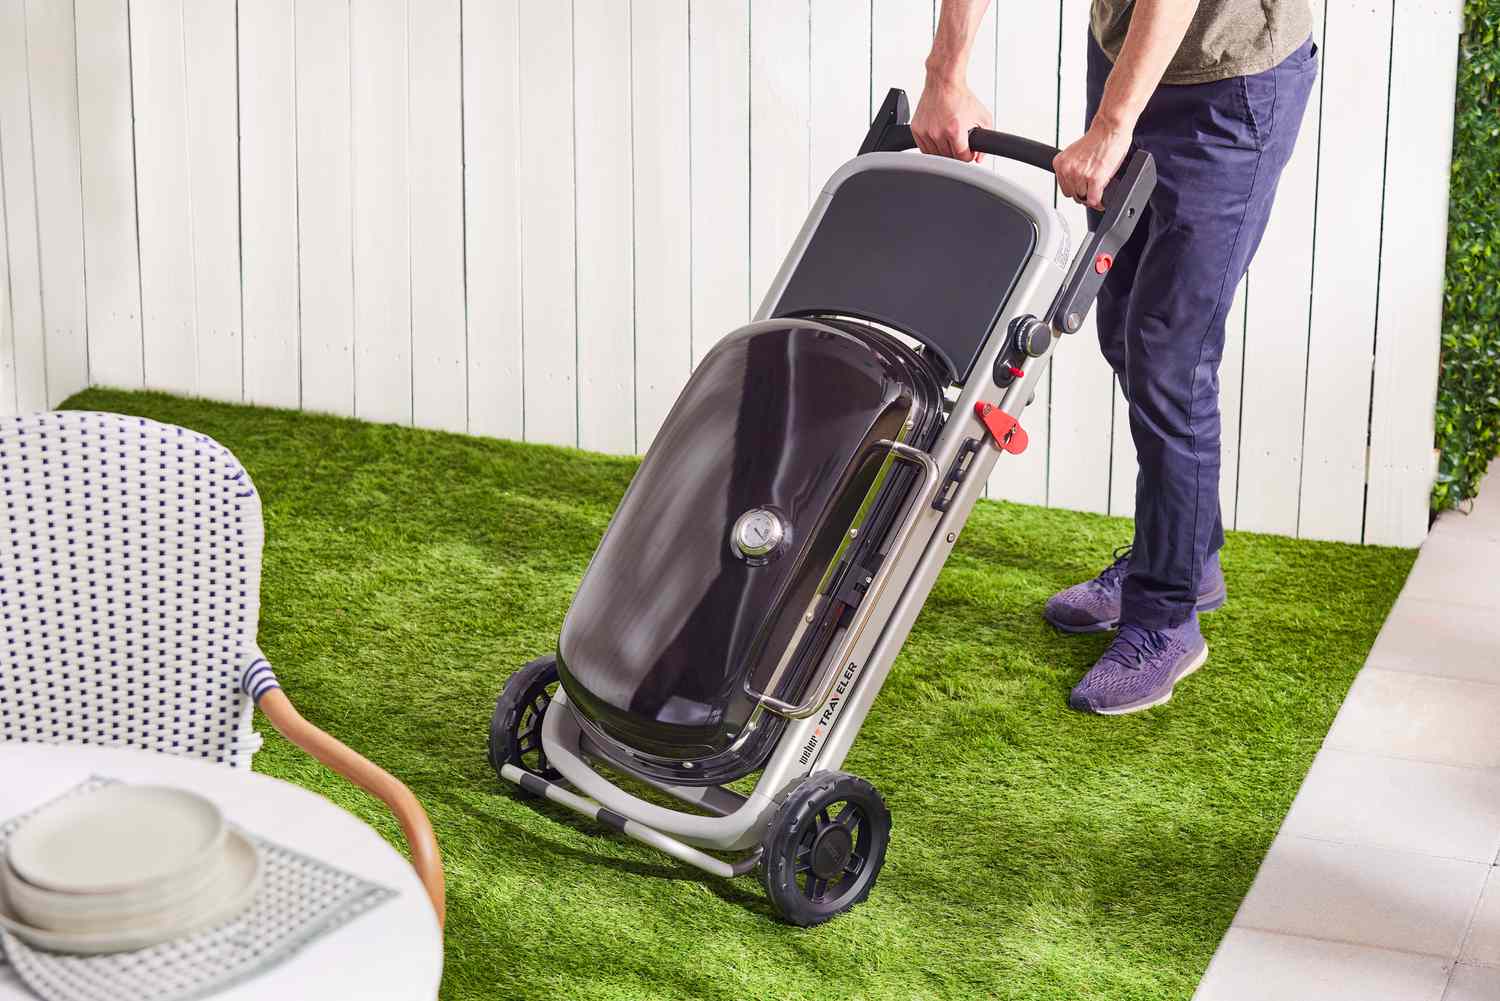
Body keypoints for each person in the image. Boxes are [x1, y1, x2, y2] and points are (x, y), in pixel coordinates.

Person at [914, 0, 1317, 715]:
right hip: (1130, 56)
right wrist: (946, 74)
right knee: (1124, 324)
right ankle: (1186, 560)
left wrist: (1110, 126)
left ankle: (1165, 618)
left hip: (1230, 82)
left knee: (1171, 354)